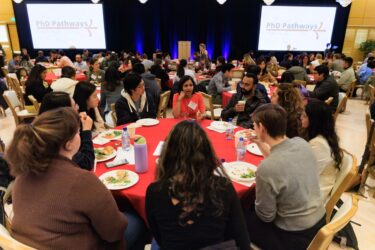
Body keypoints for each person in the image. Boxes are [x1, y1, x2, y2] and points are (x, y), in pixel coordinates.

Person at [5, 107, 128, 249]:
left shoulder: (23, 172)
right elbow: (114, 232)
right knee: (136, 221)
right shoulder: (81, 181)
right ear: (69, 144)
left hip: (25, 243)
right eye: (78, 132)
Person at [146, 120, 250, 249]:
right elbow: (242, 241)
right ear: (207, 153)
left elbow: (159, 236)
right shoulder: (224, 187)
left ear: (168, 154)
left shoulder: (155, 192)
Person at [246, 104, 325, 250]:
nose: (254, 129)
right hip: (319, 222)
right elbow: (279, 159)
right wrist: (259, 142)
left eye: (255, 126)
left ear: (262, 128)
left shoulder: (266, 168)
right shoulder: (302, 143)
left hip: (292, 237)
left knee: (239, 216)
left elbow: (265, 217)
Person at [39, 92, 95, 171]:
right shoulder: (58, 137)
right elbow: (86, 163)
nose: (78, 108)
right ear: (64, 112)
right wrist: (86, 131)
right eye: (74, 105)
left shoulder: (42, 128)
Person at [301, 100, 343, 203]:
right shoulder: (325, 137)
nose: (301, 118)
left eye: (304, 116)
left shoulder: (318, 144)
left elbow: (305, 177)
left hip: (311, 198)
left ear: (314, 121)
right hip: (313, 189)